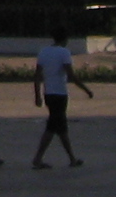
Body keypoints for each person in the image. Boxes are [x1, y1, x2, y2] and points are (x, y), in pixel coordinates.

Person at [30, 28, 95, 169]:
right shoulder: (64, 53)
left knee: (60, 127)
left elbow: (37, 75)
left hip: (48, 93)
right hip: (60, 94)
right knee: (54, 126)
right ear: (65, 39)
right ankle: (38, 158)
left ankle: (71, 158)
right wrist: (86, 89)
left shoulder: (44, 51)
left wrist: (37, 95)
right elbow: (71, 75)